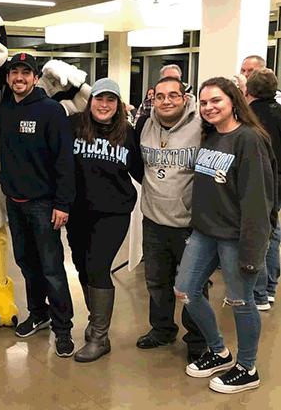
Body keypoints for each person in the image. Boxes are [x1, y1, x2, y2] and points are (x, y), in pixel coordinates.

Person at [175, 76, 277, 394]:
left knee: (241, 301)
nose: (208, 107)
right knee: (186, 291)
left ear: (234, 100)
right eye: (204, 102)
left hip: (236, 237)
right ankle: (219, 352)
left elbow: (259, 202)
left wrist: (252, 253)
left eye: (216, 100)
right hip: (205, 233)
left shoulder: (250, 139)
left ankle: (247, 368)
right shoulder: (210, 136)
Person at [0, 53, 76, 357]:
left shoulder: (51, 110)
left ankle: (63, 329)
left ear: (35, 78)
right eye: (14, 72)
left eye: (25, 73)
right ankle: (38, 313)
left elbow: (64, 160)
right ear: (8, 78)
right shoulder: (4, 107)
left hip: (44, 205)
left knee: (52, 268)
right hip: (14, 202)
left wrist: (63, 203)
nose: (19, 77)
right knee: (26, 264)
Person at [66, 78, 143, 363]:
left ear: (118, 105)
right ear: (91, 101)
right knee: (82, 267)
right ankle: (94, 319)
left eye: (111, 100)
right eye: (100, 99)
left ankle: (100, 337)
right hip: (77, 211)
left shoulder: (128, 133)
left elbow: (142, 172)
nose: (104, 105)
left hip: (114, 212)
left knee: (98, 267)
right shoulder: (74, 125)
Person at [136, 76, 208, 363]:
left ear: (184, 98)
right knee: (156, 281)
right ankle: (162, 330)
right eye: (160, 96)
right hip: (153, 220)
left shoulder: (202, 126)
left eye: (173, 96)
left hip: (190, 223)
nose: (166, 101)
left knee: (192, 286)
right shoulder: (144, 125)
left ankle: (198, 339)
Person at [245, 68, 281, 308]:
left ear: (249, 90)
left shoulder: (248, 117)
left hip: (256, 180)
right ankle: (269, 288)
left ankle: (257, 293)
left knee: (254, 234)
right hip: (278, 179)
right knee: (273, 231)